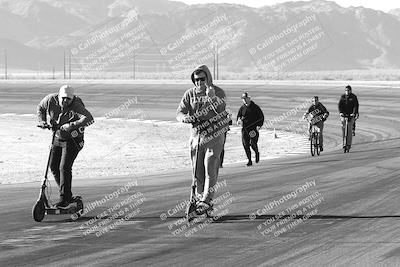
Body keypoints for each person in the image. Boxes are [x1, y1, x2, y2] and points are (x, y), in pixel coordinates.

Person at [176, 65, 229, 213]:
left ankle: (207, 199)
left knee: (210, 167)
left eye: (202, 79)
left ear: (208, 78)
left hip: (215, 134)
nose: (199, 83)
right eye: (196, 80)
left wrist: (212, 98)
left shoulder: (218, 92)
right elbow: (180, 112)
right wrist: (185, 118)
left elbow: (222, 109)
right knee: (197, 169)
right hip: (196, 136)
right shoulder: (190, 94)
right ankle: (199, 197)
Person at [37, 85, 94, 208]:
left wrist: (72, 125)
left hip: (74, 139)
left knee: (64, 167)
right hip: (57, 137)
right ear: (59, 96)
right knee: (53, 166)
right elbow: (41, 108)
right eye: (63, 98)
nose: (65, 101)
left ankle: (65, 199)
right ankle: (67, 195)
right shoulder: (50, 100)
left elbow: (89, 118)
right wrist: (42, 121)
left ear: (72, 98)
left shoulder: (76, 104)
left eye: (68, 99)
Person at [237, 92, 264, 166]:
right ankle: (249, 160)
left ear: (249, 98)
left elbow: (261, 117)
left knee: (252, 144)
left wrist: (259, 125)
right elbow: (238, 116)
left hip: (253, 129)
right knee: (245, 144)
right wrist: (238, 120)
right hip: (244, 129)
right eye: (243, 99)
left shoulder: (255, 107)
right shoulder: (242, 108)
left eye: (246, 98)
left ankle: (256, 152)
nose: (244, 100)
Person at [338, 85, 359, 150]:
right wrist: (341, 112)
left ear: (350, 91)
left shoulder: (354, 97)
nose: (347, 91)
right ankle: (344, 143)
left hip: (351, 114)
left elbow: (356, 106)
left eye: (348, 90)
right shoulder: (343, 97)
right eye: (346, 90)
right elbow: (340, 105)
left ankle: (348, 144)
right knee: (343, 128)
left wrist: (354, 113)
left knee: (349, 130)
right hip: (344, 114)